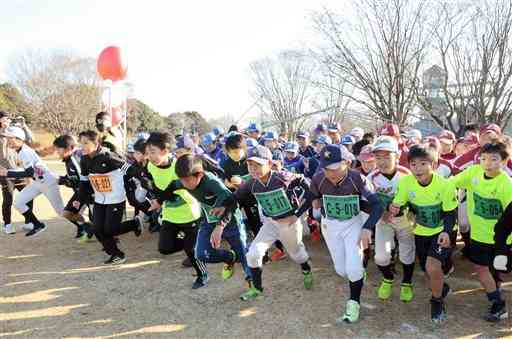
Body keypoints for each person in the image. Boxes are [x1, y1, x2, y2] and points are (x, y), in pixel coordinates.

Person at [310, 144, 383, 323]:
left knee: (353, 268)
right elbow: (312, 194)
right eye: (327, 169)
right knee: (341, 270)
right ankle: (357, 273)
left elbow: (377, 205)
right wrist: (315, 203)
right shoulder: (318, 178)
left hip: (353, 224)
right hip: (330, 225)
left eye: (335, 168)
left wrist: (367, 227)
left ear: (347, 163)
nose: (331, 174)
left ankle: (354, 302)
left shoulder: (358, 179)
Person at [234, 145, 314, 301]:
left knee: (297, 255)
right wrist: (222, 206)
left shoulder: (282, 177)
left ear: (270, 164)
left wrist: (297, 214)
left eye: (258, 165)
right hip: (270, 222)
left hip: (289, 224)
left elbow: (308, 186)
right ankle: (257, 288)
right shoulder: (251, 183)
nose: (254, 169)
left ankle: (306, 268)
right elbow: (235, 197)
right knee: (253, 254)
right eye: (250, 165)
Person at [390, 145, 458, 324]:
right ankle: (442, 287)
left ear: (434, 165)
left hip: (441, 231)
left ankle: (437, 302)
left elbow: (451, 213)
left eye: (423, 163)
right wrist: (395, 208)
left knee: (432, 267)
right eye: (413, 164)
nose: (418, 168)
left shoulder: (445, 184)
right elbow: (400, 205)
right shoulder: (406, 182)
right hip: (420, 232)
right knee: (428, 271)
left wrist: (446, 232)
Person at [172, 155, 253, 294]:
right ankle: (229, 257)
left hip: (230, 220)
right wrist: (159, 198)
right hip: (208, 222)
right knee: (201, 254)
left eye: (186, 180)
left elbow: (233, 203)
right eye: (181, 179)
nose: (183, 183)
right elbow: (172, 186)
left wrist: (220, 226)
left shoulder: (212, 183)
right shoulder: (183, 181)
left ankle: (252, 282)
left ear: (200, 175)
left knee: (243, 253)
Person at [452, 142, 512, 322]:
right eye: (483, 159)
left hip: (504, 239)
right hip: (478, 236)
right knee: (481, 268)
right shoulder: (472, 173)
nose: (487, 163)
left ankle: (497, 285)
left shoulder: (507, 185)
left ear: (504, 162)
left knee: (504, 269)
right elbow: (450, 183)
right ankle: (497, 303)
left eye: (494, 159)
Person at [74, 130, 144, 265]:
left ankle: (133, 224)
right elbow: (83, 181)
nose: (82, 146)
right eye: (80, 143)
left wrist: (143, 179)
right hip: (100, 198)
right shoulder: (84, 159)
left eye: (85, 143)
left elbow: (129, 169)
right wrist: (79, 199)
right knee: (97, 229)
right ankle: (116, 254)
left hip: (116, 197)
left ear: (96, 143)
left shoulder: (109, 156)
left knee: (110, 229)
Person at [144, 132, 206, 282]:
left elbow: (177, 187)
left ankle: (202, 275)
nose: (149, 156)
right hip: (170, 213)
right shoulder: (150, 167)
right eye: (147, 153)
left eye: (153, 152)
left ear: (165, 151)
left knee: (191, 251)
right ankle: (194, 245)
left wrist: (159, 200)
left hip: (189, 212)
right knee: (164, 248)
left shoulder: (179, 166)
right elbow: (158, 186)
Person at [367, 136, 415, 302]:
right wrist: (382, 213)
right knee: (381, 257)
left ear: (398, 155)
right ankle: (388, 278)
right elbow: (368, 203)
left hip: (405, 220)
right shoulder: (371, 177)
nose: (382, 161)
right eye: (378, 157)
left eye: (387, 156)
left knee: (407, 255)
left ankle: (407, 282)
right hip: (384, 221)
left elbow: (416, 198)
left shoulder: (406, 174)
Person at [0, 126, 64, 237]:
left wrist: (7, 173)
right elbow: (31, 172)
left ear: (18, 139)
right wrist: (9, 171)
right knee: (18, 202)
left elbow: (29, 173)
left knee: (62, 212)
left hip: (47, 182)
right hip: (37, 183)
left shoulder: (24, 152)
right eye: (7, 138)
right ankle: (37, 224)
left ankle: (83, 226)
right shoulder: (20, 151)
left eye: (10, 138)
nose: (8, 140)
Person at [53, 135, 95, 242]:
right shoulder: (68, 160)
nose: (57, 151)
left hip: (89, 193)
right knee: (67, 213)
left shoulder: (76, 159)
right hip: (79, 193)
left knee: (98, 220)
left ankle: (110, 240)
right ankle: (86, 226)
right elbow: (74, 178)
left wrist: (65, 181)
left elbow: (85, 178)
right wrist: (62, 180)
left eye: (58, 149)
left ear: (68, 149)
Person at [0, 112, 35, 234]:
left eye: (9, 119)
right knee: (8, 199)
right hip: (5, 173)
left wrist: (24, 126)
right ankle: (7, 225)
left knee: (29, 196)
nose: (8, 121)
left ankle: (29, 222)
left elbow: (31, 139)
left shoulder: (16, 132)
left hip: (20, 171)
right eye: (5, 119)